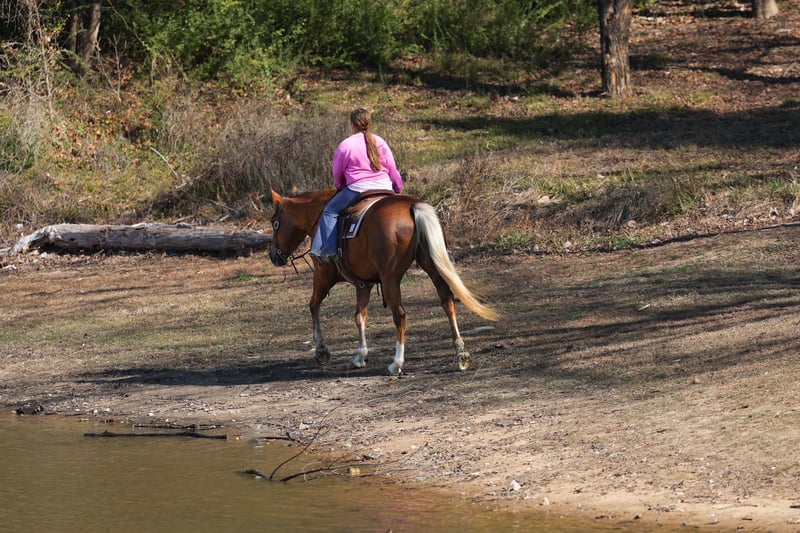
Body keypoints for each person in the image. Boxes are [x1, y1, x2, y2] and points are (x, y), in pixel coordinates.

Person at [310, 108, 404, 261]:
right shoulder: (380, 141)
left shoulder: (346, 145)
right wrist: (398, 187)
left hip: (357, 189)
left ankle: (327, 252)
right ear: (369, 122)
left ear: (352, 124)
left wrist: (339, 185)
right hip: (385, 187)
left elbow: (337, 172)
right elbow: (392, 168)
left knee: (330, 211)